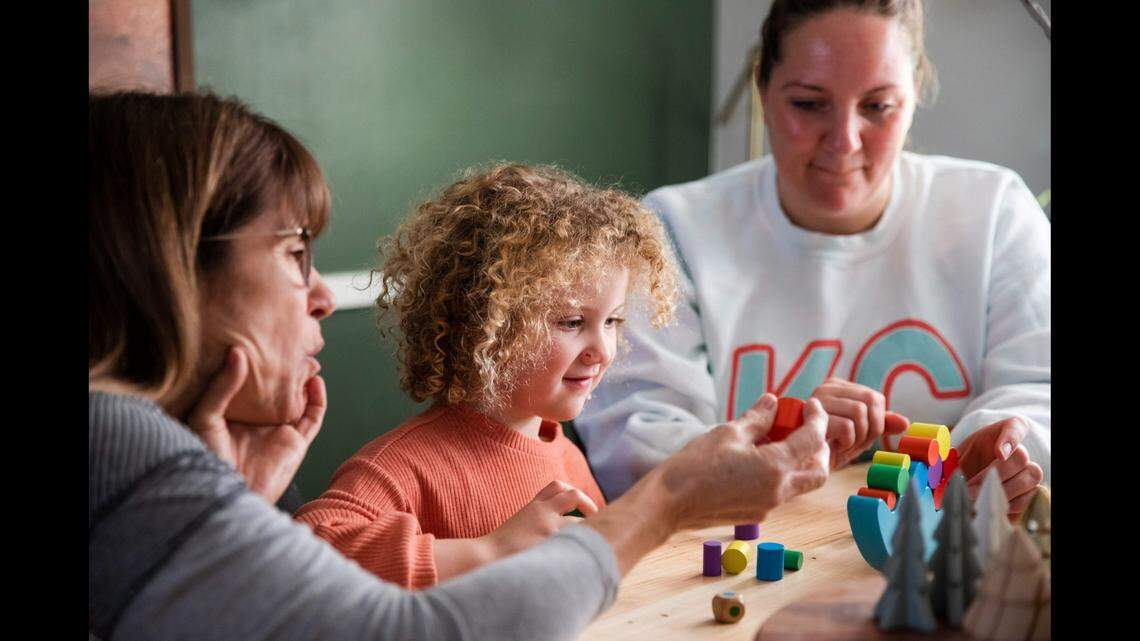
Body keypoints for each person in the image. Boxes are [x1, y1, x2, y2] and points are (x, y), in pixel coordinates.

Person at [89, 91, 831, 640]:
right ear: (169, 268)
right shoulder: (117, 445)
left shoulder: (558, 447)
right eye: (294, 253)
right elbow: (369, 595)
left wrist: (237, 499)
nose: (320, 293)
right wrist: (660, 498)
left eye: (610, 322)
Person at [576, 0, 1048, 514]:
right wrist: (785, 441)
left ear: (914, 95)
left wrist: (986, 452)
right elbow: (635, 439)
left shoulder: (993, 210)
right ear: (763, 88)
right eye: (808, 104)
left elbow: (1038, 386)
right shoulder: (671, 230)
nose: (844, 141)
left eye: (878, 107)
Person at [295, 164, 679, 588]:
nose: (602, 350)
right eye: (572, 322)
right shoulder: (400, 468)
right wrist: (489, 550)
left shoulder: (565, 456)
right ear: (485, 325)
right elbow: (305, 552)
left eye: (613, 321)